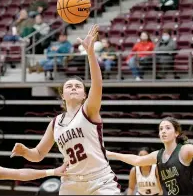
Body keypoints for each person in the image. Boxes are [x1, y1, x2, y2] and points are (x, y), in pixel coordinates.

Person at [11, 25, 121, 195]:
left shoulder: (89, 110)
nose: (74, 88)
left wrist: (90, 53)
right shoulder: (55, 123)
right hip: (71, 182)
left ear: (85, 94)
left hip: (100, 180)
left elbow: (97, 84)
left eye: (78, 86)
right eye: (69, 86)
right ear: (63, 95)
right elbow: (39, 154)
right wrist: (25, 151)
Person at [107, 117, 193, 195]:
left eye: (168, 128)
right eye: (161, 129)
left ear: (176, 133)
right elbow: (137, 160)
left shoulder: (185, 150)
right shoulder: (158, 155)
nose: (163, 131)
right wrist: (111, 154)